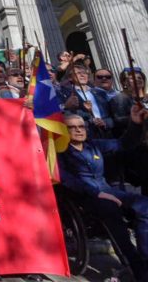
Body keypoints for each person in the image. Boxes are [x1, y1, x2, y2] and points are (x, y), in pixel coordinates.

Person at [59, 109, 148, 280]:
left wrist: (135, 124)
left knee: (145, 205)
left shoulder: (93, 145)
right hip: (84, 197)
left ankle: (145, 257)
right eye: (72, 127)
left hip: (107, 190)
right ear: (63, 130)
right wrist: (97, 193)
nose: (79, 130)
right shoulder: (60, 152)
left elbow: (123, 144)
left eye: (81, 126)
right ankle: (137, 266)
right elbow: (67, 179)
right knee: (110, 209)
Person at [59, 62, 112, 138]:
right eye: (78, 73)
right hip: (86, 134)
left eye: (84, 73)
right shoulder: (67, 94)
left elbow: (111, 115)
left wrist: (105, 123)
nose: (82, 75)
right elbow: (65, 113)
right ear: (70, 78)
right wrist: (91, 121)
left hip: (107, 133)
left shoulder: (100, 92)